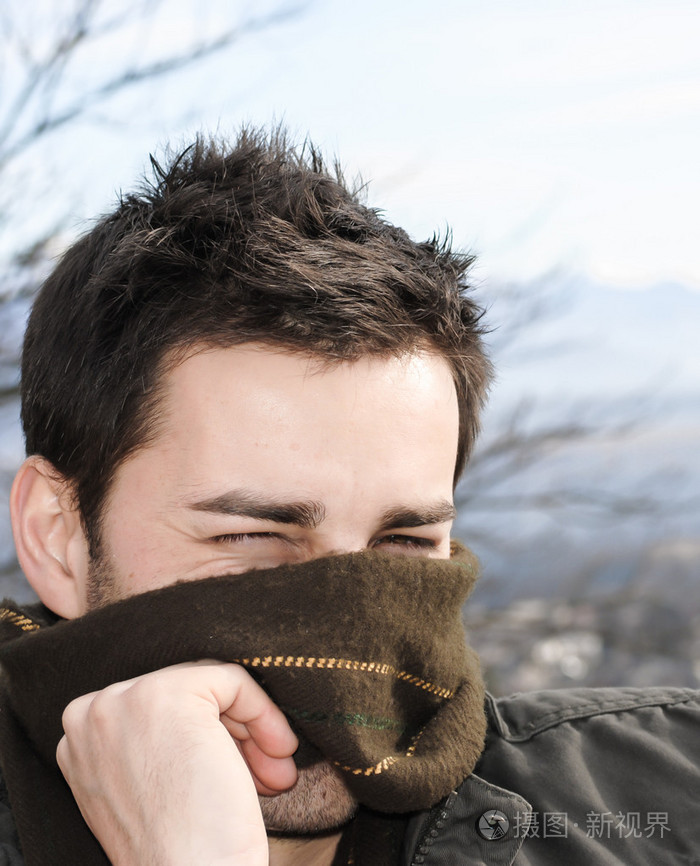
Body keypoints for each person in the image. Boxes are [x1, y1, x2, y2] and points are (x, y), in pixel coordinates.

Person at [0, 128, 697, 866]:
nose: (348, 615)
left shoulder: (668, 803)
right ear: (58, 536)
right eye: (251, 536)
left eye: (404, 544)